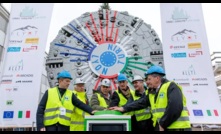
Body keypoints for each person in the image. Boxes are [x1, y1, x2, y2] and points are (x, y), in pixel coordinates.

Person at [109, 65, 191, 131]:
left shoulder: (171, 86)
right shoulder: (151, 92)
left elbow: (175, 107)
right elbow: (140, 102)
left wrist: (162, 124)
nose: (147, 82)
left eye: (149, 79)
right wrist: (123, 108)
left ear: (157, 78)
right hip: (163, 127)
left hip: (178, 128)